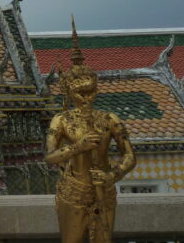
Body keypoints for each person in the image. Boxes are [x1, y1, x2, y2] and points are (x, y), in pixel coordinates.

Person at [45, 19, 136, 243]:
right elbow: (50, 156)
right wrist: (78, 147)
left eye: (92, 92)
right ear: (68, 92)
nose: (88, 98)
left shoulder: (109, 119)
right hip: (73, 190)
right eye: (81, 93)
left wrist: (112, 176)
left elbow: (130, 156)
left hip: (103, 187)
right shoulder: (61, 120)